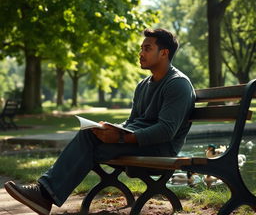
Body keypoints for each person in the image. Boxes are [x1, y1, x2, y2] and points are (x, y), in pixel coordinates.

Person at [4, 28, 195, 215]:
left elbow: (166, 131)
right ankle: (44, 195)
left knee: (87, 144)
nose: (141, 53)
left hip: (161, 148)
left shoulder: (178, 84)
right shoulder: (143, 85)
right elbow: (133, 121)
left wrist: (120, 138)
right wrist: (110, 129)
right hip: (136, 142)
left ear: (164, 53)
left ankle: (44, 194)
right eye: (141, 48)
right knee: (91, 135)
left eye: (147, 48)